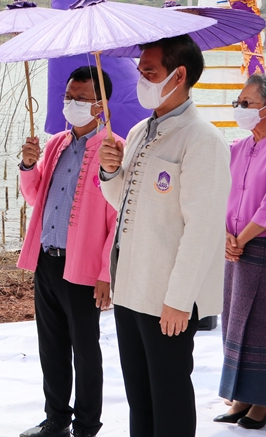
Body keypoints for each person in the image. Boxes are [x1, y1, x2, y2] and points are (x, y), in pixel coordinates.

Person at [98, 35, 230, 437]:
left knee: (169, 397)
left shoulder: (202, 139)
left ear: (179, 75)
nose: (141, 79)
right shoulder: (140, 130)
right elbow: (124, 203)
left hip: (167, 298)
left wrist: (178, 301)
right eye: (140, 72)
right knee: (140, 398)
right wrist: (110, 172)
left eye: (149, 72)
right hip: (131, 289)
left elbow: (203, 230)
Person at [17, 66, 119, 437]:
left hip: (84, 267)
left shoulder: (112, 149)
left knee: (86, 350)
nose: (72, 103)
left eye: (81, 98)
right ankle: (56, 417)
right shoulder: (55, 144)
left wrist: (106, 274)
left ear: (100, 105)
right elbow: (34, 196)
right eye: (69, 96)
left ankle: (87, 425)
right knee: (52, 344)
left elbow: (117, 218)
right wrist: (28, 165)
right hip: (48, 258)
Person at [214, 74, 266, 430]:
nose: (240, 109)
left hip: (259, 243)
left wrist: (243, 238)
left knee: (260, 324)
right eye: (238, 103)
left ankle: (261, 401)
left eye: (246, 103)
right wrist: (227, 236)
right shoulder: (238, 147)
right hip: (233, 246)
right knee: (234, 320)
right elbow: (219, 191)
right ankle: (241, 396)